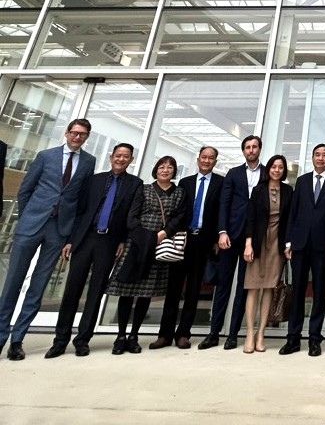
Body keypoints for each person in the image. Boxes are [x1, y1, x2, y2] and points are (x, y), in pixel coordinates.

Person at [0, 118, 96, 361]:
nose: (77, 137)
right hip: (31, 225)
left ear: (87, 137)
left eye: (83, 134)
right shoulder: (46, 156)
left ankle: (17, 341)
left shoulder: (88, 162)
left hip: (59, 230)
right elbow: (25, 190)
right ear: (66, 133)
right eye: (74, 133)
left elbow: (81, 201)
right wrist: (26, 218)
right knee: (12, 283)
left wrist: (70, 236)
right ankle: (0, 337)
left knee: (38, 287)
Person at [46, 143, 143, 358]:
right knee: (72, 289)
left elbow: (131, 216)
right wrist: (71, 240)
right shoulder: (94, 180)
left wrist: (123, 241)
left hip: (109, 242)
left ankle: (83, 339)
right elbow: (80, 212)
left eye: (125, 157)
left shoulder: (135, 184)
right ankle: (60, 340)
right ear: (111, 157)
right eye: (118, 155)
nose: (121, 159)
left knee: (96, 291)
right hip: (85, 239)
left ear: (131, 160)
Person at [106, 156, 188, 355]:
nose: (165, 170)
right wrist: (143, 236)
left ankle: (134, 335)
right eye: (162, 166)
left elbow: (179, 217)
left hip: (159, 244)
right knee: (128, 290)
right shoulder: (143, 189)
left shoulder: (179, 192)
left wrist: (163, 234)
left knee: (145, 293)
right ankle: (121, 335)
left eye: (170, 167)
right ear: (156, 169)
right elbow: (131, 216)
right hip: (137, 242)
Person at [152, 146, 224, 350]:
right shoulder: (185, 183)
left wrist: (217, 237)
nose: (207, 161)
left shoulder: (221, 183)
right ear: (198, 159)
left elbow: (220, 212)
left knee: (193, 289)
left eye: (211, 158)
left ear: (215, 162)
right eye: (204, 157)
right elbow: (178, 211)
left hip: (203, 241)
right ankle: (164, 334)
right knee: (173, 288)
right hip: (181, 239)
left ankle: (183, 333)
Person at [280, 143, 325, 357]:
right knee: (297, 292)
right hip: (299, 245)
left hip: (322, 246)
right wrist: (288, 242)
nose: (321, 158)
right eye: (317, 155)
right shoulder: (302, 180)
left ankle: (315, 340)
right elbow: (293, 212)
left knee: (319, 293)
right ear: (312, 158)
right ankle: (293, 339)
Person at [202, 135, 262, 350]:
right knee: (223, 285)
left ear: (259, 150)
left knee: (243, 288)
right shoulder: (234, 173)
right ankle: (214, 332)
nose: (251, 150)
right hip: (230, 237)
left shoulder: (266, 174)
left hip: (253, 240)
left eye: (254, 147)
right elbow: (224, 203)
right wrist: (222, 231)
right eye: (247, 147)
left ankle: (234, 334)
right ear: (243, 151)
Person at [242, 154, 292, 354]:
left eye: (280, 167)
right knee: (253, 287)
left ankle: (262, 332)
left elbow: (289, 220)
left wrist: (288, 245)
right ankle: (250, 333)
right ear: (268, 169)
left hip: (277, 244)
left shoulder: (289, 191)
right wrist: (248, 243)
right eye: (273, 167)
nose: (277, 170)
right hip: (257, 241)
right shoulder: (258, 190)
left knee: (270, 288)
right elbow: (251, 218)